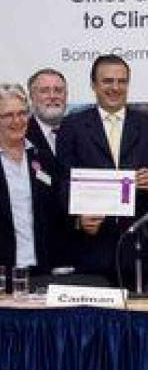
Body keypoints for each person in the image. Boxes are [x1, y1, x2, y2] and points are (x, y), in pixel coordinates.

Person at [56, 54, 148, 286]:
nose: (115, 87)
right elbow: (63, 182)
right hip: (91, 249)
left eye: (122, 81)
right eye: (107, 81)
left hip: (141, 250)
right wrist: (79, 219)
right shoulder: (73, 126)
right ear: (93, 85)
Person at [0, 84, 68, 279]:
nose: (17, 121)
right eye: (8, 115)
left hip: (42, 270)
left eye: (22, 113)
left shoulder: (43, 159)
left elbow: (58, 210)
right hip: (3, 272)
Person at [26, 68, 67, 160]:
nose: (52, 96)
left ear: (66, 95)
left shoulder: (81, 132)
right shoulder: (21, 134)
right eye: (44, 91)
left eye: (58, 90)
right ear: (32, 96)